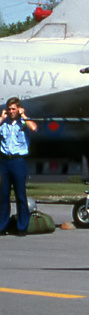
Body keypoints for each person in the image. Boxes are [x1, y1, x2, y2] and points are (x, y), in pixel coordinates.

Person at [1, 97, 37, 236]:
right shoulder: (4, 124)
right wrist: (1, 118)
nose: (11, 112)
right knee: (3, 195)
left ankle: (22, 227)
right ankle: (2, 225)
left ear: (18, 109)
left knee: (20, 194)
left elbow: (34, 128)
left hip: (18, 161)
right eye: (9, 109)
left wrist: (23, 115)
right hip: (4, 161)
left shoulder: (23, 123)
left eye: (13, 109)